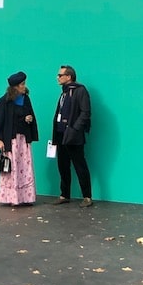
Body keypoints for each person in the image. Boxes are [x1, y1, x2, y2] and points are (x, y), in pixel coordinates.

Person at [0, 71, 38, 206]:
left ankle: (26, 197)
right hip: (11, 141)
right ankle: (11, 198)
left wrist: (29, 119)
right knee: (11, 168)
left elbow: (29, 114)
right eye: (22, 84)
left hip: (23, 140)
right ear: (15, 86)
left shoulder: (25, 99)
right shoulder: (4, 102)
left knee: (25, 167)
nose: (24, 86)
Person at [51, 65, 93, 207]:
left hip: (73, 136)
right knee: (62, 166)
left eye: (60, 75)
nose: (58, 77)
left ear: (69, 77)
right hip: (60, 134)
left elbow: (85, 112)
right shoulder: (63, 93)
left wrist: (75, 129)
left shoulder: (80, 91)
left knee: (80, 165)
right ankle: (64, 195)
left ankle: (87, 196)